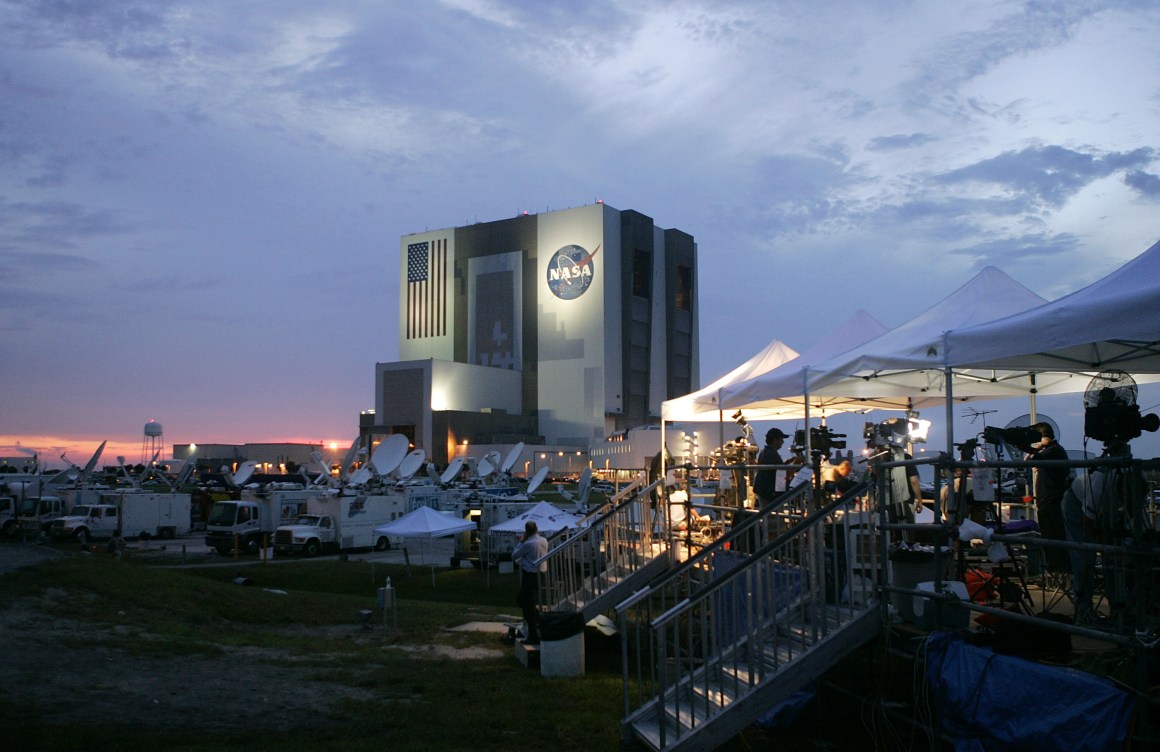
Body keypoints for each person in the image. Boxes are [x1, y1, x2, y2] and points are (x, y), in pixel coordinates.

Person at [1061, 468, 1114, 624]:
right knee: (1083, 556)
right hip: (1075, 504)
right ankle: (1084, 610)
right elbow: (1087, 523)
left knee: (1113, 557)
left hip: (1099, 505)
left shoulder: (1131, 483)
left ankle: (1118, 609)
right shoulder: (1099, 486)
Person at [1027, 423, 1070, 572]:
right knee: (1051, 535)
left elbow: (1028, 461)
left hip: (1050, 501)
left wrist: (1036, 449)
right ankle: (1056, 567)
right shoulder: (1053, 450)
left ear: (1044, 437)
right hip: (1048, 500)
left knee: (1052, 536)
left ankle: (1058, 568)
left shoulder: (1052, 451)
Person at [511, 520, 549, 644]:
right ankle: (539, 619)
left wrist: (521, 541)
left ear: (526, 531)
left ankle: (534, 632)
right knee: (526, 602)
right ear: (537, 529)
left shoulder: (528, 543)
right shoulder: (544, 541)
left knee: (527, 604)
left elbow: (514, 555)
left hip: (530, 575)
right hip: (541, 574)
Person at [752, 428, 789, 507]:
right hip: (768, 492)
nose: (783, 442)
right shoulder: (771, 454)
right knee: (772, 517)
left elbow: (778, 467)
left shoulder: (765, 452)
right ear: (775, 440)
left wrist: (789, 462)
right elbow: (781, 472)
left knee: (767, 515)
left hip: (764, 490)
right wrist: (796, 463)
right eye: (781, 439)